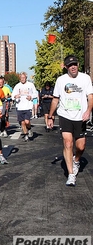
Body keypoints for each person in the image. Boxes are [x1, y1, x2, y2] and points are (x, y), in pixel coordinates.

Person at [47, 55, 93, 186]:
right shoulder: (61, 80)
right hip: (65, 116)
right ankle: (71, 174)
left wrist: (88, 111)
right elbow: (55, 99)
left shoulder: (85, 78)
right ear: (66, 67)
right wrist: (50, 116)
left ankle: (76, 160)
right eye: (70, 65)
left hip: (81, 117)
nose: (73, 67)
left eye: (75, 64)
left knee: (81, 146)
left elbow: (90, 97)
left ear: (78, 65)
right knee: (68, 143)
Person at [11, 72, 38, 142]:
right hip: (19, 106)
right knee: (22, 122)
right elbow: (12, 95)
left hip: (28, 106)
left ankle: (29, 129)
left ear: (26, 78)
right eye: (21, 78)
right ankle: (26, 135)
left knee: (27, 121)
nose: (22, 79)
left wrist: (31, 97)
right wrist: (15, 96)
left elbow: (35, 93)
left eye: (24, 78)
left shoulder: (30, 85)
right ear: (19, 78)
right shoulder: (17, 86)